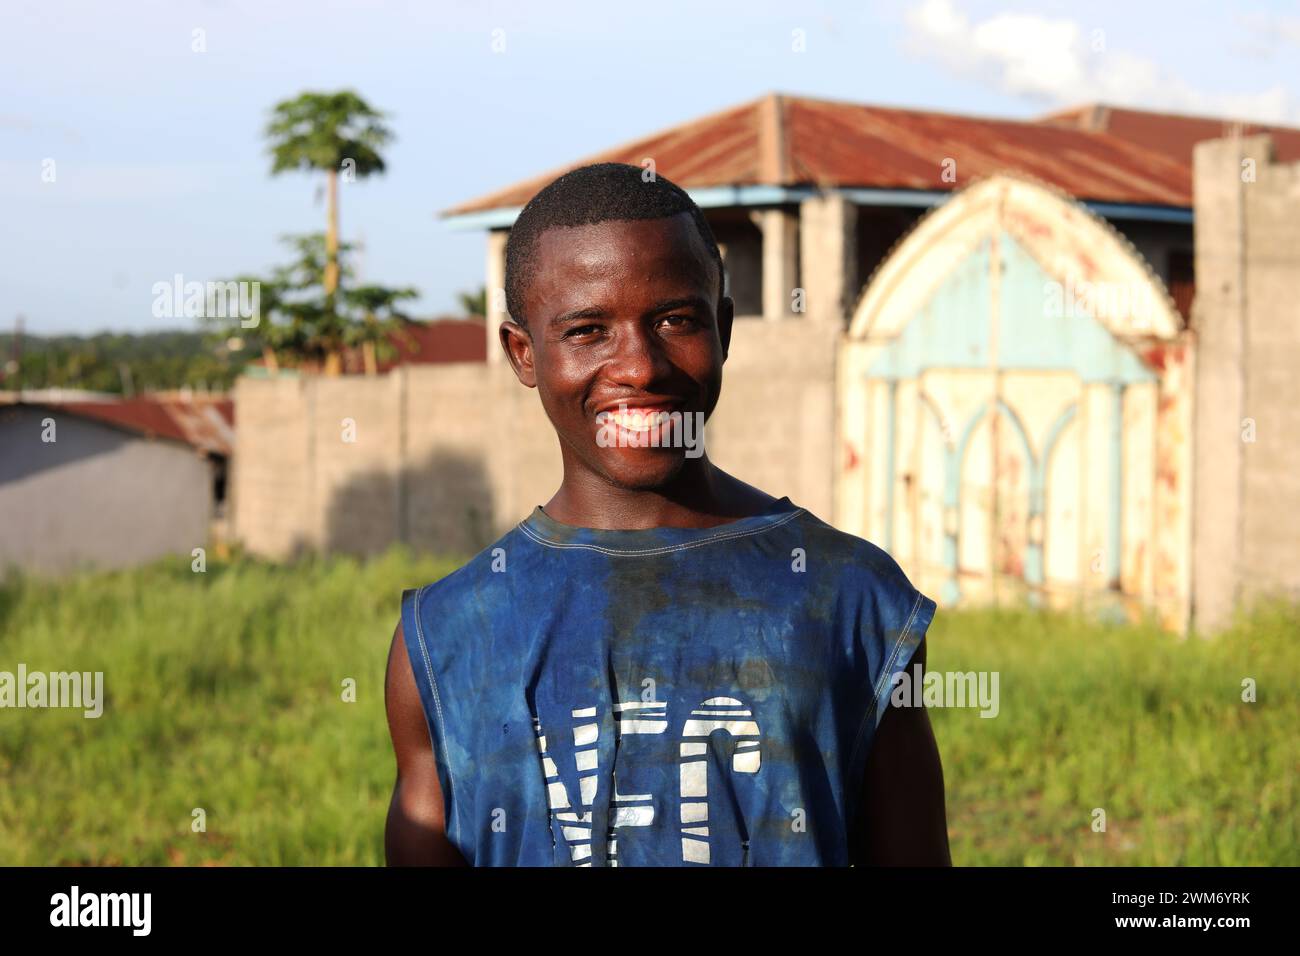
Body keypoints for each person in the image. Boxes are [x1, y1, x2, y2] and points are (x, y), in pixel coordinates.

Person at [384, 162, 950, 866]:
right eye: (588, 330)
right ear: (523, 353)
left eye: (676, 320)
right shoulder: (444, 638)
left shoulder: (854, 601)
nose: (640, 367)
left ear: (724, 330)